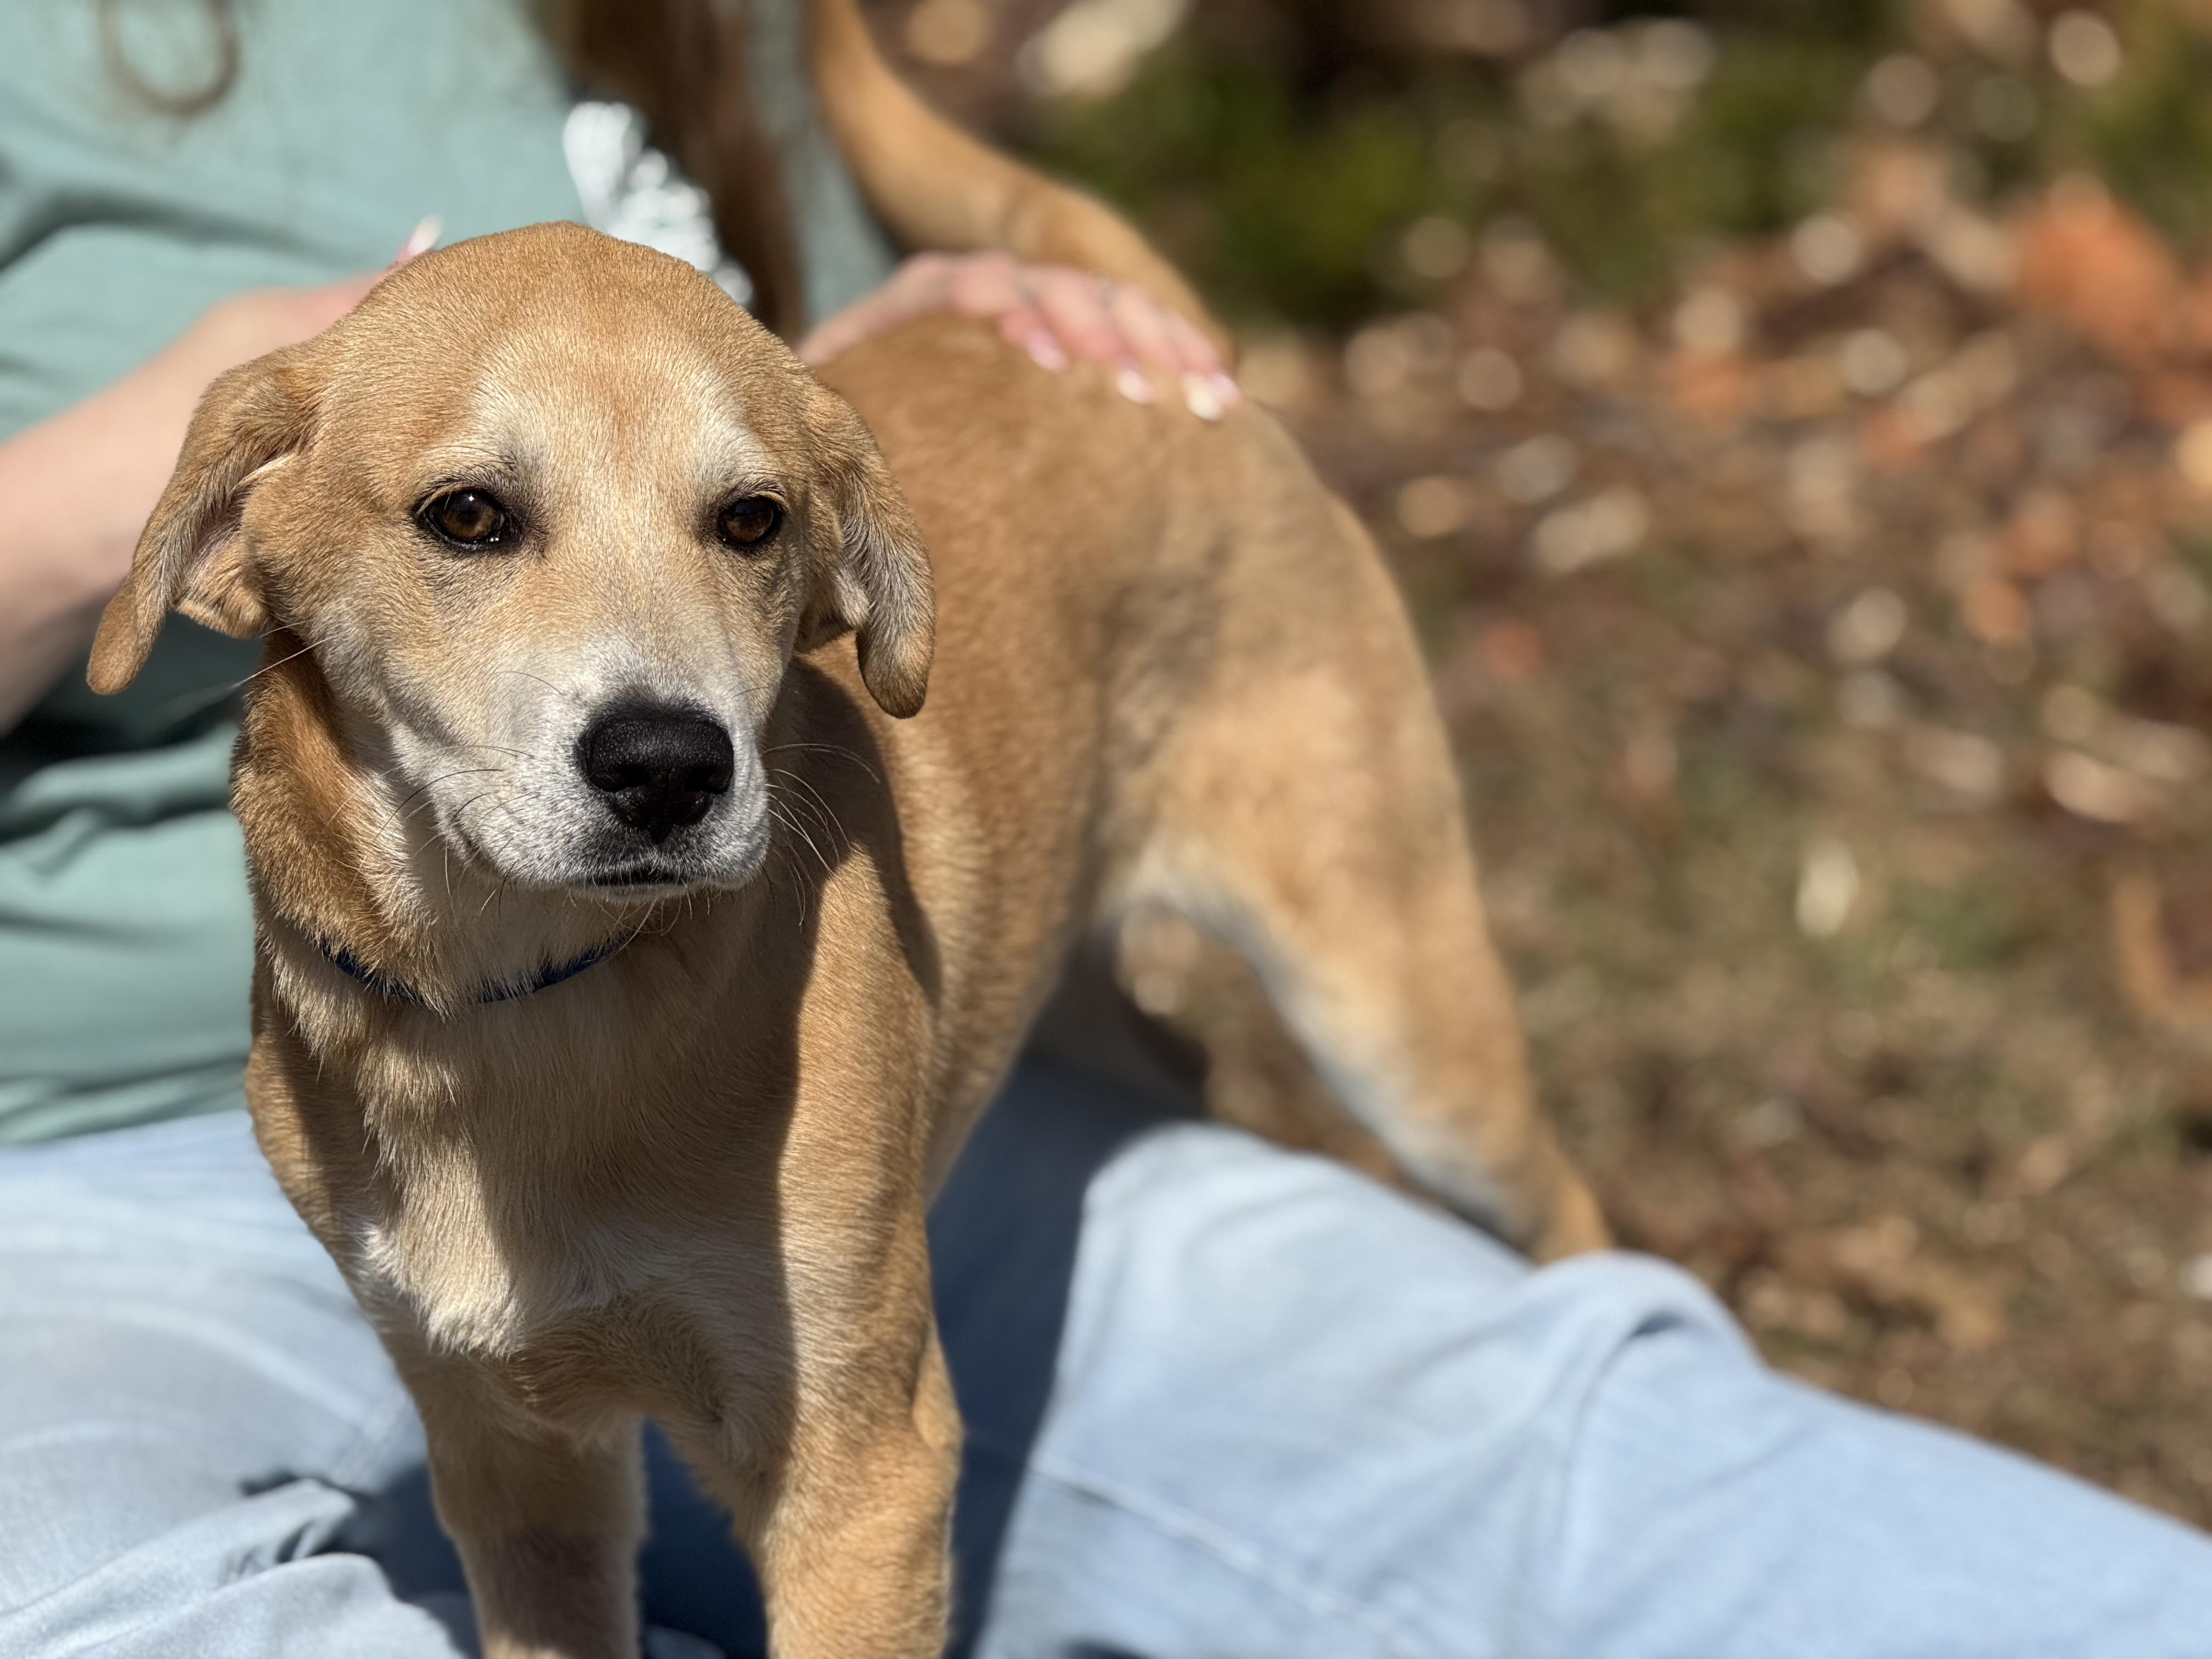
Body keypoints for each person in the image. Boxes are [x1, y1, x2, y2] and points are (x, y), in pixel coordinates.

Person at [2, 2, 2209, 1655]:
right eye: (475, 519)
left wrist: (936, 341)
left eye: (750, 533)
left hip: (868, 1132)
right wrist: (115, 483)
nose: (652, 714)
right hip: (93, 1185)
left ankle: (1560, 1265)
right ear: (239, 550)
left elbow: (799, 418)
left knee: (1639, 1469)